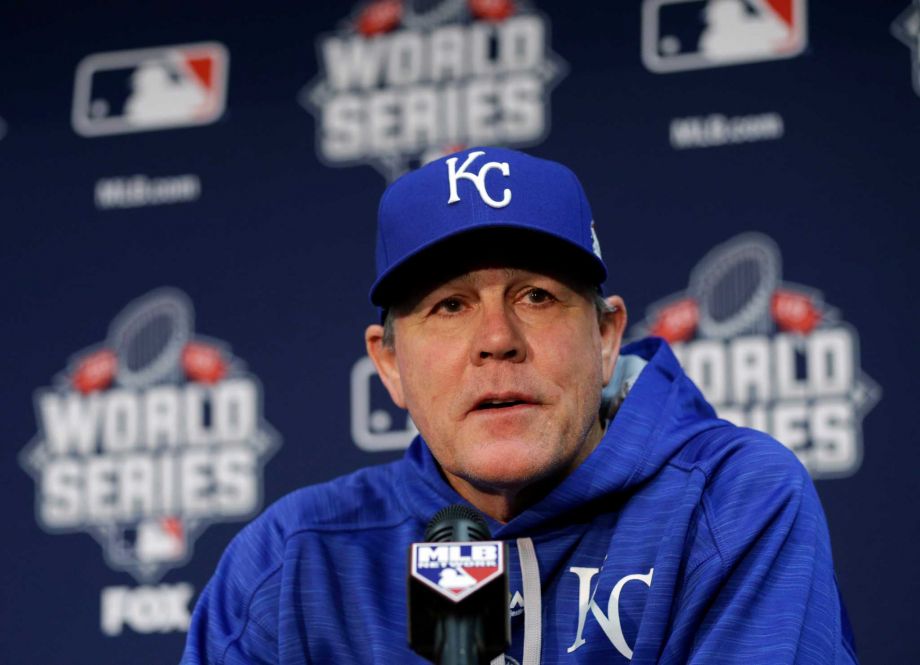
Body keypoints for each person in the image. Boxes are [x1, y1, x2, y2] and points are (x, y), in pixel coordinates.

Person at [181, 147, 858, 664]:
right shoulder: (292, 565)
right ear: (390, 363)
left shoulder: (732, 503)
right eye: (450, 305)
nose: (498, 340)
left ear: (604, 336)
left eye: (536, 295)